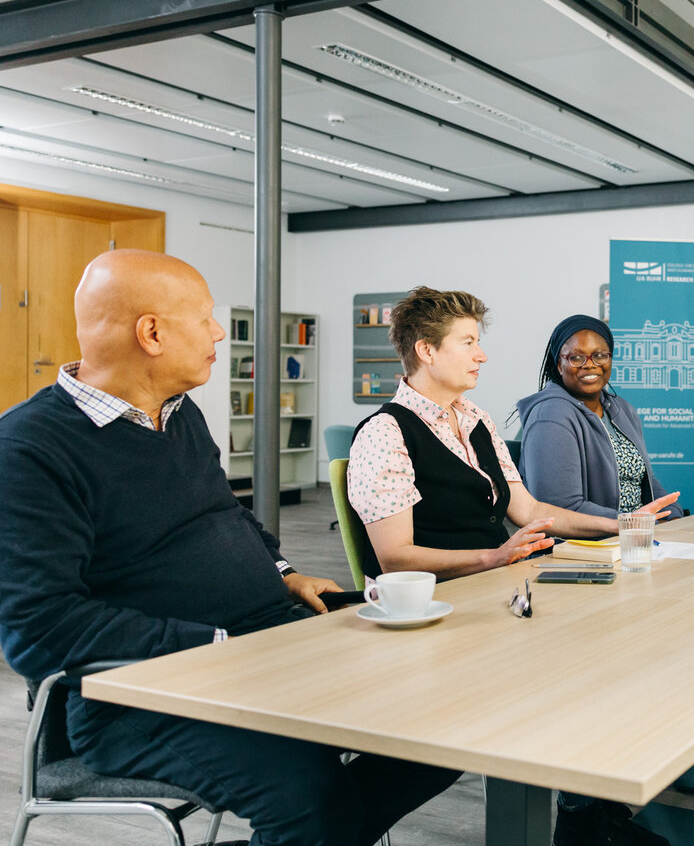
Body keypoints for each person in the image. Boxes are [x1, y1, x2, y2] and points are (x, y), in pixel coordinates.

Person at [0, 250, 460, 846]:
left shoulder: (179, 414)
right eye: (206, 316)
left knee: (445, 719)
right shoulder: (29, 448)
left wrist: (286, 572)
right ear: (152, 333)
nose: (220, 332)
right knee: (306, 799)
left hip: (266, 643)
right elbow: (38, 628)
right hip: (145, 696)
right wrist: (218, 646)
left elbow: (225, 517)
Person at [346, 289, 678, 584]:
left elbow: (530, 511)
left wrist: (622, 524)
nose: (481, 355)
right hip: (432, 598)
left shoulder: (475, 420)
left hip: (494, 582)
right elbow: (394, 559)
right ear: (426, 351)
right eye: (468, 343)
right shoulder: (384, 433)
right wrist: (494, 557)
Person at [516, 314, 683, 519]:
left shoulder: (622, 409)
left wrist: (671, 514)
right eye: (576, 357)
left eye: (600, 355)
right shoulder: (550, 416)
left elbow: (645, 480)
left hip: (635, 535)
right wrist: (632, 523)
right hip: (582, 545)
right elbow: (560, 508)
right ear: (559, 365)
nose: (590, 364)